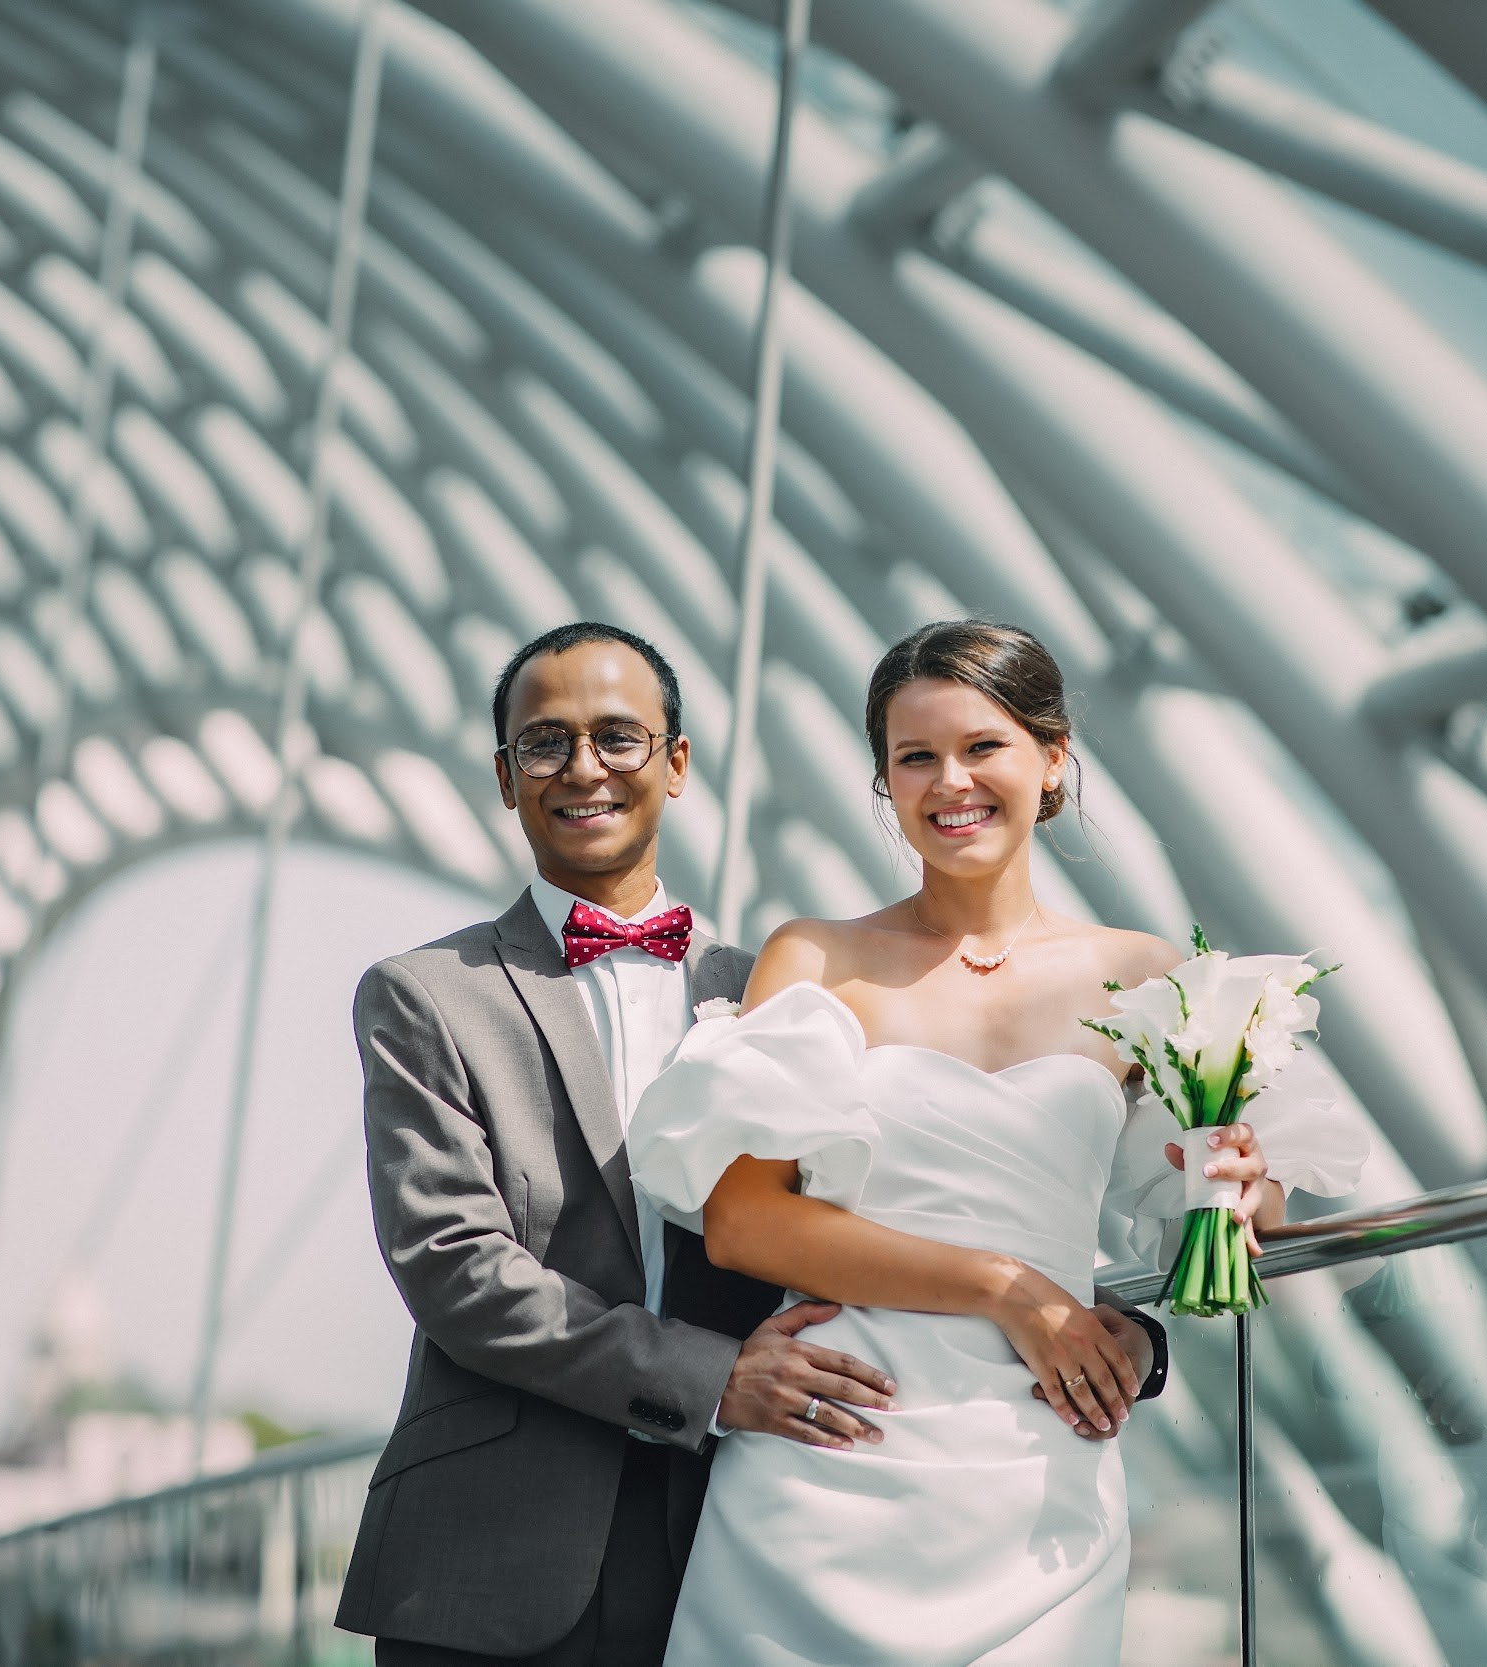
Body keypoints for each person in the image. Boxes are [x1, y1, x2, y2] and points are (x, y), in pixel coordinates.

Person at [628, 620, 1366, 1663]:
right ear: (885, 784)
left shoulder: (1144, 973)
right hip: (831, 1459)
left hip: (1042, 1472)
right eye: (913, 757)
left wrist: (1242, 1184)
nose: (949, 781)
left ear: (1052, 758)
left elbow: (1215, 1220)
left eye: (983, 746)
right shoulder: (818, 953)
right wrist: (1006, 1285)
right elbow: (744, 1222)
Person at [342, 622, 959, 1665]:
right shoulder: (424, 994)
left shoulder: (776, 987)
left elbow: (909, 1204)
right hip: (494, 1554)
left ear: (676, 763)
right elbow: (454, 1267)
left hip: (748, 1528)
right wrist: (713, 1377)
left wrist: (1120, 1303)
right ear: (504, 776)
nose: (584, 767)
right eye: (545, 743)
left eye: (619, 736)